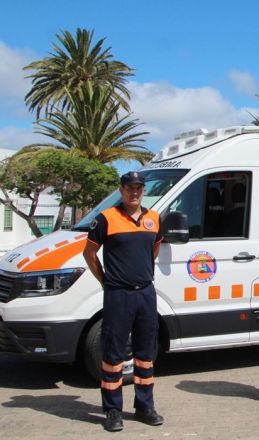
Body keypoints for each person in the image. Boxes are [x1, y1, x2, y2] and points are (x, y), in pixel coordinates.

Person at [82, 171, 164, 432]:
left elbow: (154, 249)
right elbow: (89, 253)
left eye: (139, 187)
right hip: (118, 294)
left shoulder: (153, 218)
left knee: (145, 354)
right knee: (113, 355)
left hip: (145, 293)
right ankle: (113, 411)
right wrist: (105, 281)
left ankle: (144, 407)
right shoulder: (106, 218)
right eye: (130, 187)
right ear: (121, 189)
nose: (135, 192)